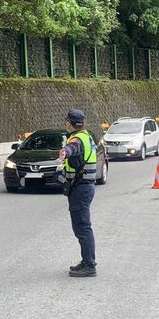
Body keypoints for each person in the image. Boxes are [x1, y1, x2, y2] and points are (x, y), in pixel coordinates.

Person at [58, 109, 98, 277]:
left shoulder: (76, 139)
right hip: (84, 187)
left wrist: (65, 151)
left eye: (66, 121)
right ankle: (86, 260)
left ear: (69, 122)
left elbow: (72, 148)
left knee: (82, 227)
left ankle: (89, 265)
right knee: (82, 227)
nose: (65, 123)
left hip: (80, 188)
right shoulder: (86, 136)